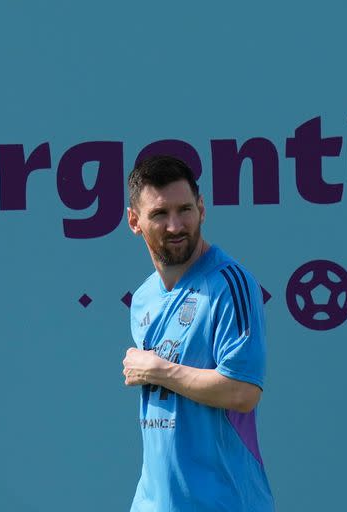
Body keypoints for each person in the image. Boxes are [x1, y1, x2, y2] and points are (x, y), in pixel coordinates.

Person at [122, 155, 274, 511]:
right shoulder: (143, 297)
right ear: (135, 221)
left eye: (185, 210)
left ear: (202, 209)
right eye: (160, 214)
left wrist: (157, 370)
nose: (176, 226)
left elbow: (243, 391)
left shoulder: (230, 284)